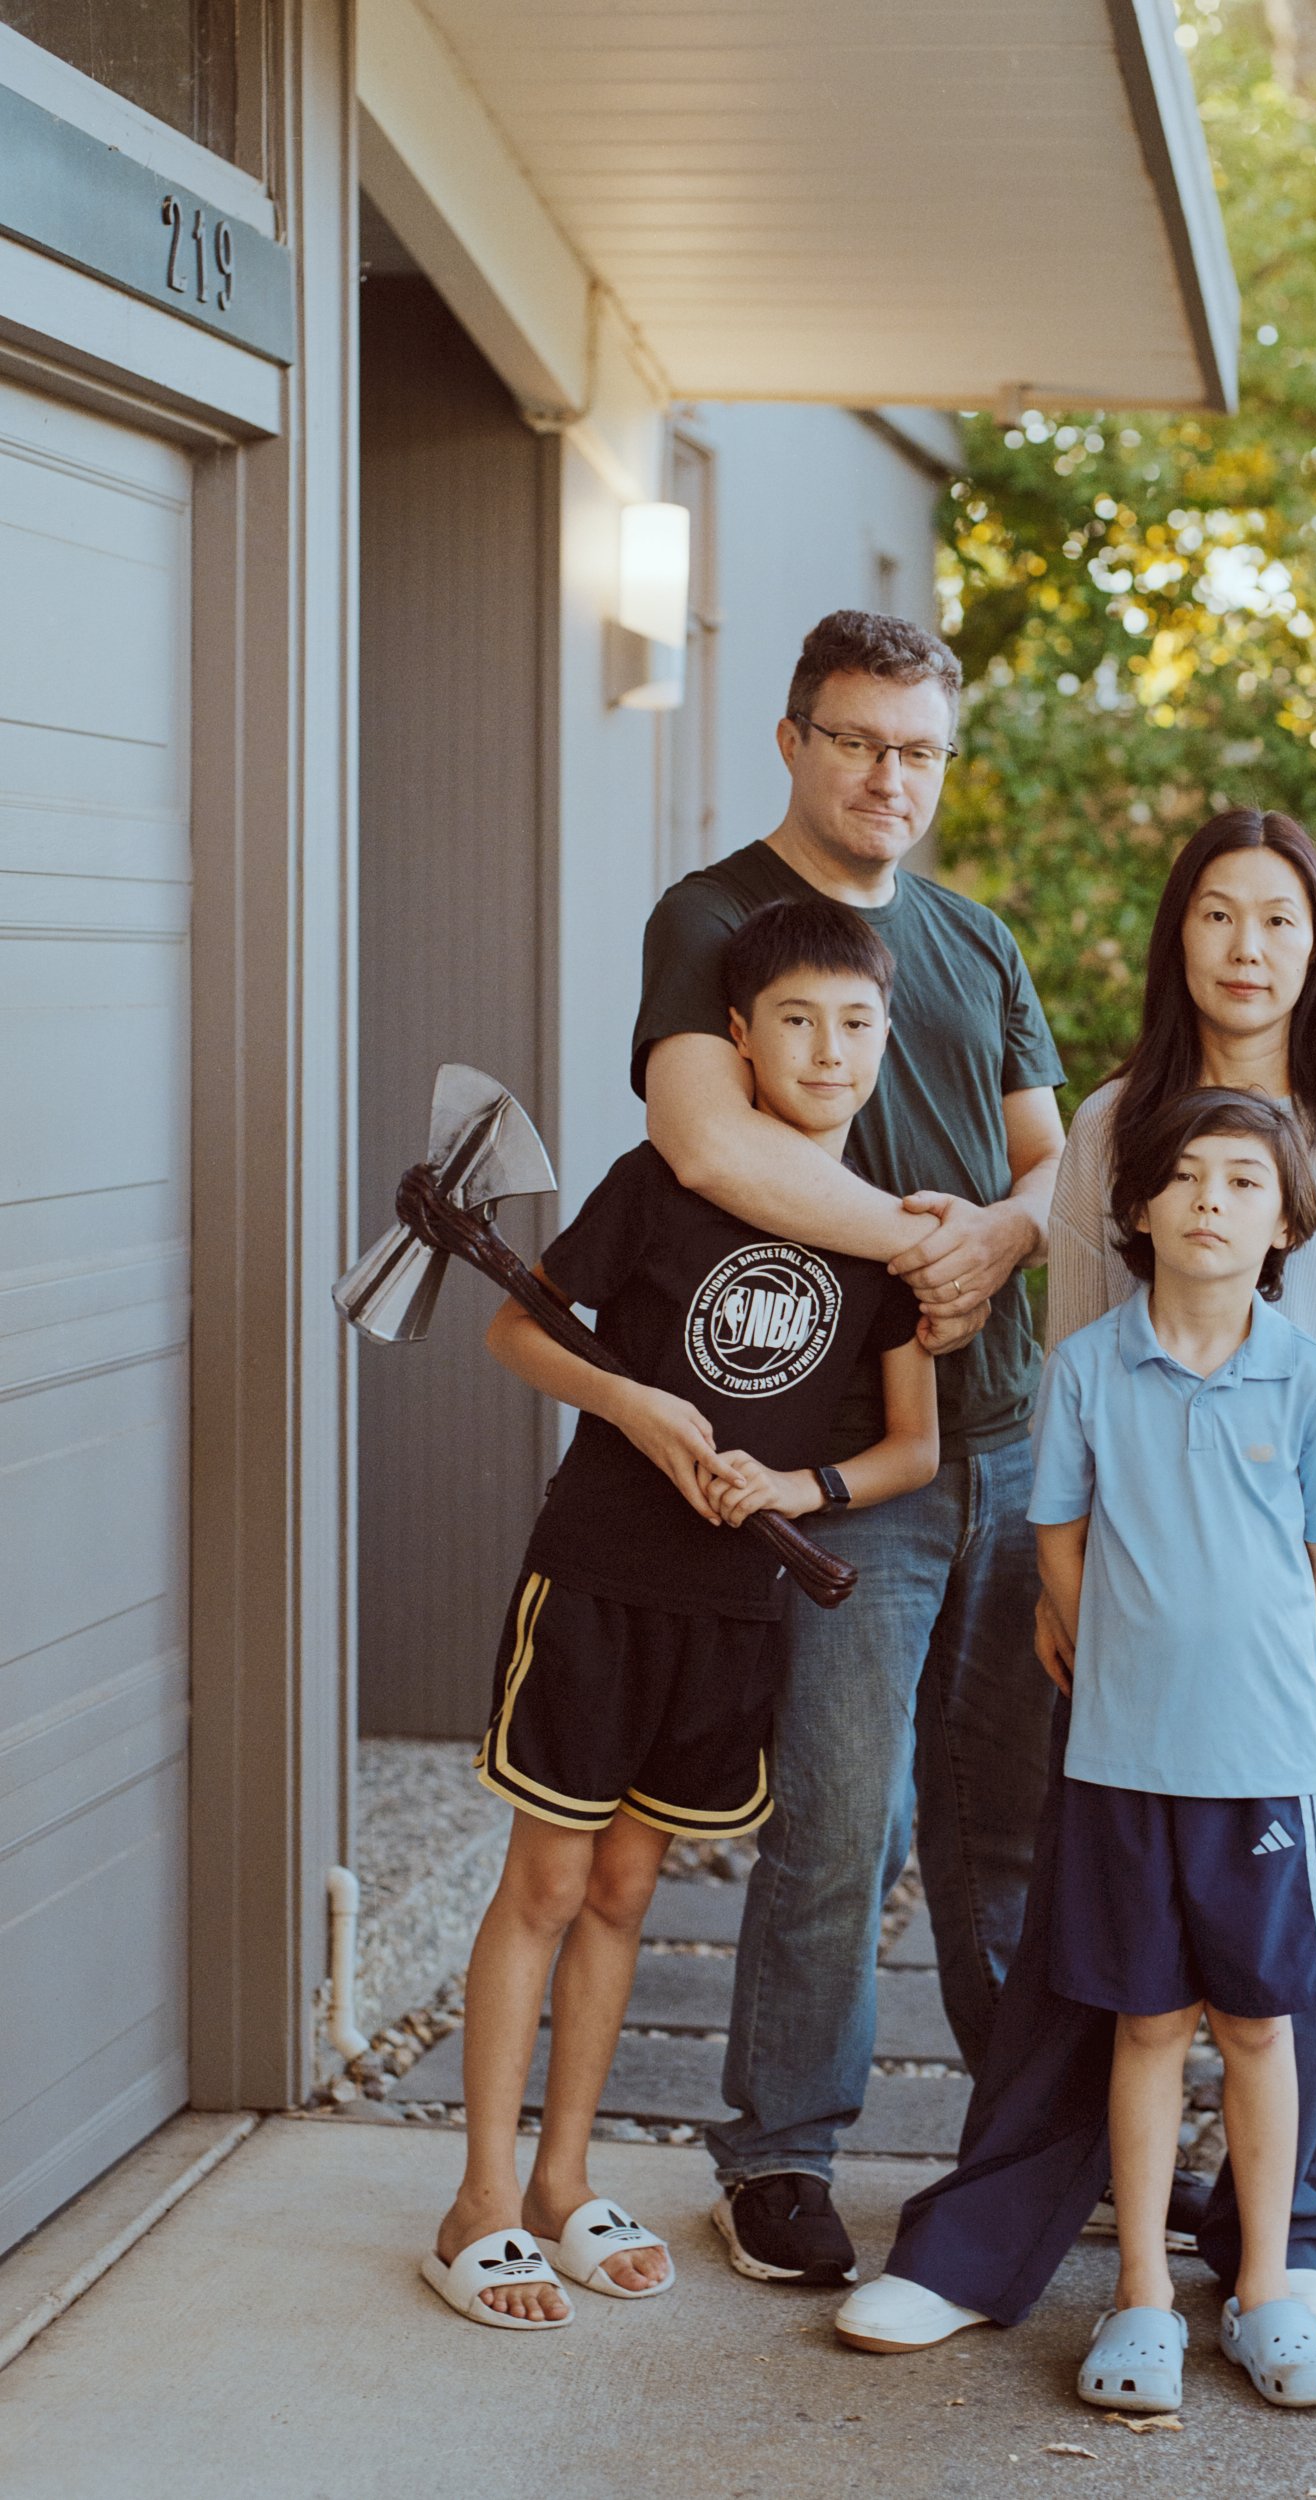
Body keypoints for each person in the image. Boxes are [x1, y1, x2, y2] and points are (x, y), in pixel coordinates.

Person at [838, 805, 1316, 2353]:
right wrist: (1058, 1587)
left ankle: (1281, 2245)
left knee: (1298, 1933)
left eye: (1279, 920)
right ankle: (980, 2247)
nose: (1247, 947)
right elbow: (1087, 1366)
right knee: (1101, 1924)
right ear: (1183, 939)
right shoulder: (1110, 1127)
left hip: (1311, 1592)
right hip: (1134, 1590)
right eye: (1219, 916)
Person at [424, 898, 938, 2328]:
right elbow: (518, 1323)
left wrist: (799, 1482)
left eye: (855, 1025)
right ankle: (477, 2191)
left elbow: (915, 1449)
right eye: (796, 1021)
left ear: (884, 1043)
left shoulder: (886, 1237)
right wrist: (638, 1403)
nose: (828, 1050)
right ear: (738, 1039)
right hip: (600, 1581)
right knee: (545, 1883)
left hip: (736, 1603)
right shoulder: (656, 1184)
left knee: (629, 1892)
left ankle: (563, 2180)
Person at [631, 610, 1067, 2288]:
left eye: (920, 749)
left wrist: (1005, 1245)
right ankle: (782, 2159)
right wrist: (919, 1242)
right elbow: (702, 1133)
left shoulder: (974, 941)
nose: (890, 775)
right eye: (859, 739)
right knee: (841, 1820)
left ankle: (1032, 2143)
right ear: (795, 739)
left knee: (1009, 1827)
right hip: (839, 1465)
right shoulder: (715, 916)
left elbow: (1050, 1166)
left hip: (1011, 1443)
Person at [1026, 1088, 1316, 2415]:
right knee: (1144, 2025)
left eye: (1242, 1181)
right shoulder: (1086, 1371)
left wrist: (1280, 1692)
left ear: (1286, 1218)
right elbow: (1056, 1535)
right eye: (1182, 1176)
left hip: (1267, 1770)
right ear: (1136, 1208)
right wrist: (1090, 1636)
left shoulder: (1310, 1380)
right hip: (1123, 1759)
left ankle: (1269, 2291)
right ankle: (1138, 2302)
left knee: (1256, 2025)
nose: (1210, 1199)